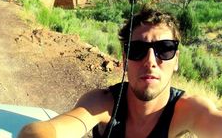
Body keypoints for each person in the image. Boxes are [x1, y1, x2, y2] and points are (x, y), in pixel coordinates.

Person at [18, 8, 222, 138]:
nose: (150, 61)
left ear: (176, 59)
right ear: (125, 61)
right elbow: (48, 131)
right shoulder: (102, 104)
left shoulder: (189, 109)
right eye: (138, 50)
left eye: (165, 48)